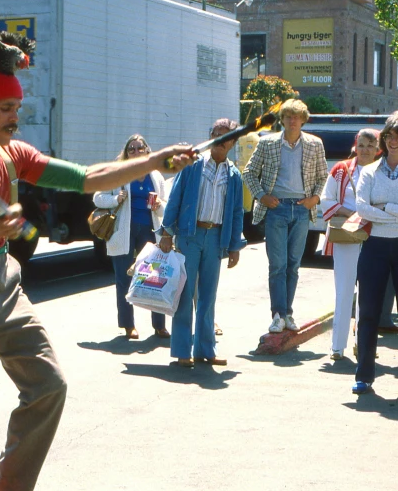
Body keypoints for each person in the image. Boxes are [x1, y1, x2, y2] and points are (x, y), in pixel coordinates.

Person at [0, 15, 195, 491]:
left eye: (17, 107)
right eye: (7, 108)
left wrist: (153, 161)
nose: (16, 116)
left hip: (4, 285)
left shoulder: (14, 154)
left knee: (49, 387)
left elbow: (87, 178)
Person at [159, 118, 246, 367]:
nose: (220, 141)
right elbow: (175, 198)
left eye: (226, 137)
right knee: (185, 294)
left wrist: (234, 246)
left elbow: (237, 212)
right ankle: (182, 351)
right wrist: (166, 232)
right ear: (211, 137)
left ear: (232, 143)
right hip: (190, 235)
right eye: (216, 135)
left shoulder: (234, 174)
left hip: (216, 238)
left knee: (208, 295)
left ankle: (206, 349)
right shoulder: (193, 166)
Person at [242, 99, 327, 334]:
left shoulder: (314, 144)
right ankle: (278, 314)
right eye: (288, 116)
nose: (292, 121)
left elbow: (323, 176)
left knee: (293, 265)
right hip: (276, 208)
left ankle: (288, 312)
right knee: (277, 265)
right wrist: (261, 195)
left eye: (296, 116)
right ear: (282, 119)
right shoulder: (268, 143)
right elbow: (248, 172)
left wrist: (315, 199)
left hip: (301, 208)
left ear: (303, 119)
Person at [93, 135, 169, 340]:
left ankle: (159, 326)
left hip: (149, 230)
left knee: (154, 278)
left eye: (139, 148)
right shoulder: (120, 173)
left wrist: (158, 205)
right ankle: (128, 325)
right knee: (124, 279)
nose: (136, 152)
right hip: (123, 232)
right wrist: (115, 199)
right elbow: (97, 196)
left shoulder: (155, 175)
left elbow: (166, 205)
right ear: (126, 153)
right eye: (131, 149)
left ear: (147, 150)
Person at [320, 129, 380, 360]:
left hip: (375, 237)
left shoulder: (384, 172)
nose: (365, 150)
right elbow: (327, 200)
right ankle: (337, 347)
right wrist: (352, 213)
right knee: (344, 290)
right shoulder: (340, 170)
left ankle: (363, 346)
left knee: (368, 295)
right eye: (361, 145)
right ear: (355, 145)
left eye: (370, 146)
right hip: (346, 236)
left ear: (378, 149)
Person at [351, 112, 398, 394]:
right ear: (385, 138)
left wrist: (382, 209)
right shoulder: (369, 172)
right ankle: (364, 375)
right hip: (374, 247)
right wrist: (393, 210)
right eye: (391, 136)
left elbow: (372, 209)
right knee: (367, 312)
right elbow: (360, 208)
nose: (395, 142)